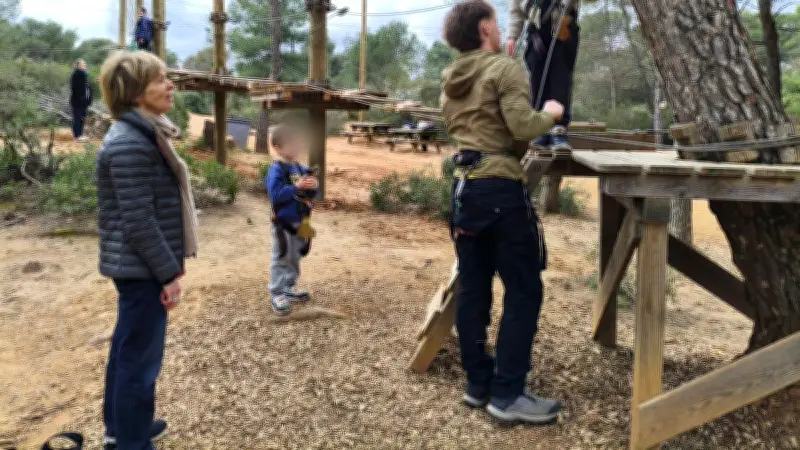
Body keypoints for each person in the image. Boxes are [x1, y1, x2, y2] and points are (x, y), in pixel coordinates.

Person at [440, 0, 565, 424]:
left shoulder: (453, 78)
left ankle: (478, 384)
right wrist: (549, 115)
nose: (497, 25)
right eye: (493, 19)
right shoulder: (504, 69)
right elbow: (522, 128)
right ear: (485, 29)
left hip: (465, 190)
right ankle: (508, 393)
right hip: (500, 189)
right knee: (524, 290)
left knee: (474, 288)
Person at [96, 50, 199, 450]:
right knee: (139, 362)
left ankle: (120, 429)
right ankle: (132, 442)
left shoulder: (143, 133)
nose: (170, 85)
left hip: (139, 267)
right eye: (160, 79)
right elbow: (140, 222)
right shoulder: (129, 143)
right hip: (141, 270)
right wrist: (168, 274)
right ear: (135, 91)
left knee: (127, 349)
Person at [508, 0, 590, 151]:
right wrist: (513, 35)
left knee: (560, 81)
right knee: (537, 82)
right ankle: (541, 129)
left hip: (563, 28)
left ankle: (558, 130)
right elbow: (516, 9)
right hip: (536, 32)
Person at [265, 124, 318, 315]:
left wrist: (313, 186)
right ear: (278, 147)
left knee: (295, 256)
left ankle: (289, 286)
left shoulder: (299, 167)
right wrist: (296, 187)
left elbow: (311, 191)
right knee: (281, 256)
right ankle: (277, 292)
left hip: (299, 221)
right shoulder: (276, 170)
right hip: (283, 223)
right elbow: (276, 195)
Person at [69, 59, 92, 142]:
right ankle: (77, 136)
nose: (85, 65)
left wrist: (88, 100)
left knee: (82, 118)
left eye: (85, 64)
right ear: (78, 66)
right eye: (83, 64)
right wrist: (81, 98)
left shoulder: (84, 76)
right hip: (78, 102)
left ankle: (80, 135)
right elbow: (75, 88)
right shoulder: (76, 74)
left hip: (84, 102)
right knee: (77, 118)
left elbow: (87, 89)